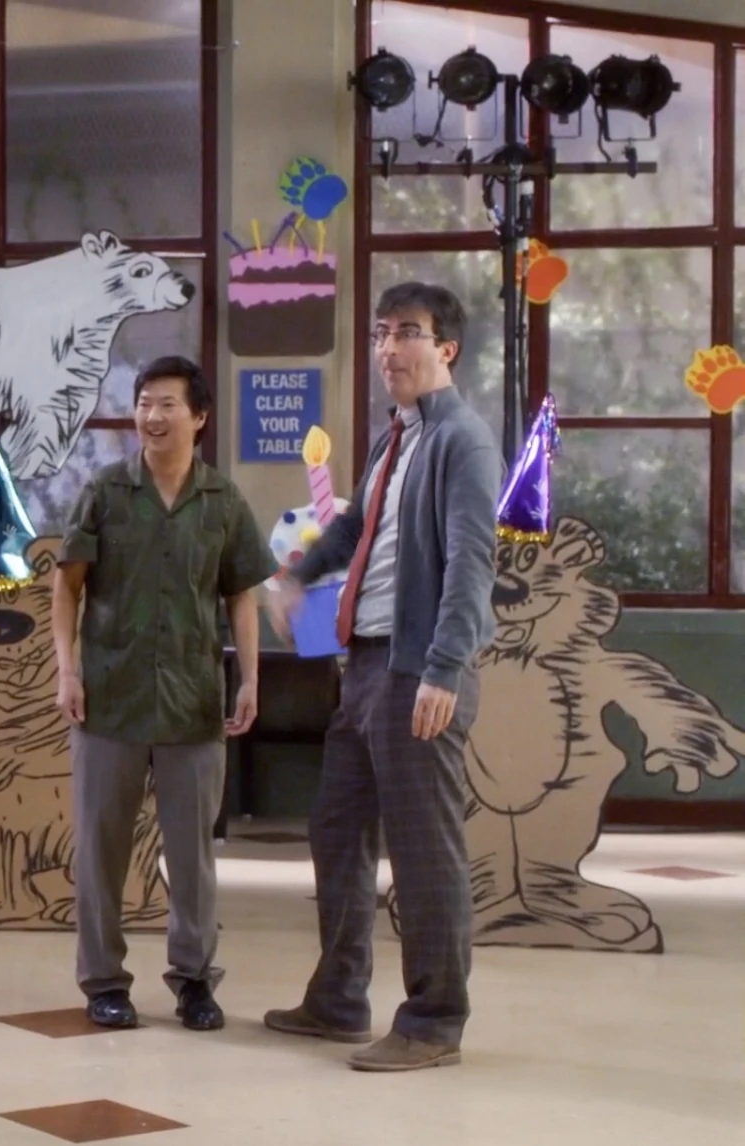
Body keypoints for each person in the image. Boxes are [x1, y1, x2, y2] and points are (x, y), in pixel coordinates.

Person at [262, 281, 501, 1072]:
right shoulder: (391, 440)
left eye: (406, 332)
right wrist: (297, 577)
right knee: (336, 830)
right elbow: (353, 527)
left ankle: (432, 1022)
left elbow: (470, 564)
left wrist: (443, 669)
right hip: (363, 667)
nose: (387, 348)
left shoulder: (462, 442)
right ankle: (337, 1000)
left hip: (416, 672)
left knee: (423, 850)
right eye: (379, 333)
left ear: (445, 349)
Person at [49, 355, 275, 1034]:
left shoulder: (223, 500)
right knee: (101, 851)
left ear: (198, 417)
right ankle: (103, 983)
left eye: (167, 404)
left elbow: (241, 595)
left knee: (192, 856)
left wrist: (249, 679)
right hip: (109, 698)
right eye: (144, 402)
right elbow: (67, 586)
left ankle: (195, 981)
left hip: (192, 701)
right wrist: (67, 670)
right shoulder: (105, 492)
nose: (151, 415)